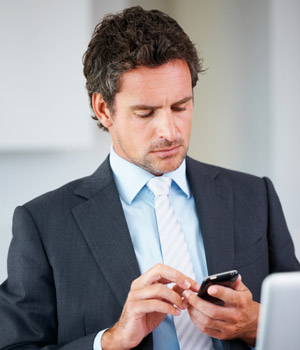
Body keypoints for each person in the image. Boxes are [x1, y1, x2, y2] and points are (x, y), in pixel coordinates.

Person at [0, 6, 299, 350]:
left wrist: (256, 323)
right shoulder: (44, 224)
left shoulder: (254, 196)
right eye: (146, 112)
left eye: (181, 107)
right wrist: (109, 342)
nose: (169, 131)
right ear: (103, 109)